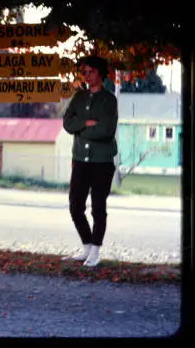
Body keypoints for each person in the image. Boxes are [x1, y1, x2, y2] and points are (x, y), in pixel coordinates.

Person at [61, 55, 118, 267]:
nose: (86, 76)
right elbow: (67, 123)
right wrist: (86, 123)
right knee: (75, 205)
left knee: (97, 207)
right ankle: (86, 247)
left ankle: (95, 250)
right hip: (80, 160)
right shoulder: (78, 97)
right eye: (83, 72)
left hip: (102, 162)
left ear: (100, 73)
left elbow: (105, 130)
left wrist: (80, 129)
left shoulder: (109, 99)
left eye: (90, 72)